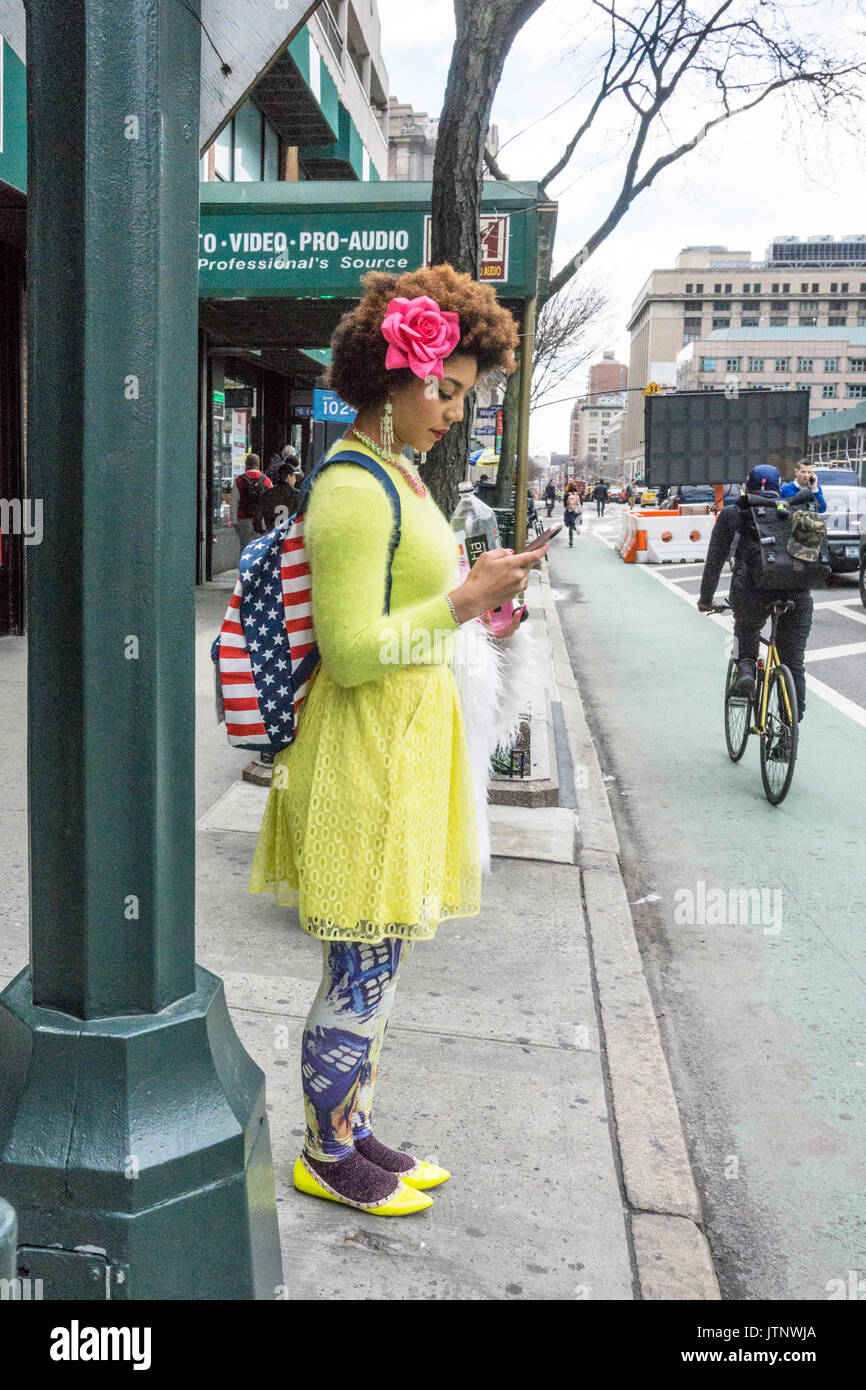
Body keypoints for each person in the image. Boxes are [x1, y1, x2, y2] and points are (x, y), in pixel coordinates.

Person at [249, 265, 540, 1216]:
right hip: (361, 751)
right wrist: (464, 598)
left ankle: (355, 1127)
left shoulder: (400, 475)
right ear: (402, 377)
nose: (457, 411)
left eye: (467, 394)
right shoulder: (351, 485)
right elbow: (351, 648)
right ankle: (324, 1152)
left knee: (379, 962)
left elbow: (412, 616)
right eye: (450, 391)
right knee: (357, 964)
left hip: (402, 747)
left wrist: (482, 607)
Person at [698, 463, 818, 724]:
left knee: (746, 627)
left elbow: (715, 560)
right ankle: (788, 734)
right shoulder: (796, 506)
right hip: (798, 595)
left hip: (753, 592)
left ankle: (746, 670)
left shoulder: (734, 513)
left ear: (747, 486)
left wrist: (705, 600)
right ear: (778, 487)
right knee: (793, 662)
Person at [230, 452, 272, 551]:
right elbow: (270, 504)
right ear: (258, 464)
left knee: (245, 549)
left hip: (244, 520)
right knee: (260, 550)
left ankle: (244, 566)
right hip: (261, 521)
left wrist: (234, 522)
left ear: (246, 464)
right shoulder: (267, 481)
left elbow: (234, 503)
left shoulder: (239, 481)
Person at [262, 461, 301, 531]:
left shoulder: (268, 493)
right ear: (289, 477)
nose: (295, 480)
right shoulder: (296, 494)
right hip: (290, 534)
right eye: (294, 477)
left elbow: (263, 515)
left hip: (273, 534)